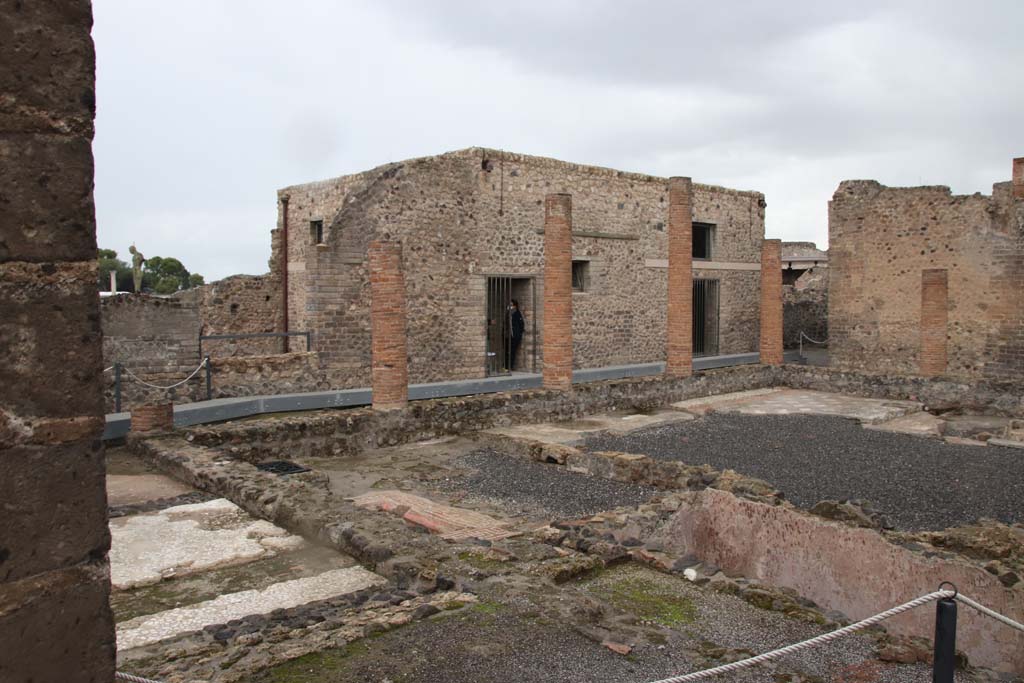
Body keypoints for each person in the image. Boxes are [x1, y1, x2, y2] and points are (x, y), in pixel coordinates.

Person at [508, 299, 525, 371]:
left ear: (515, 306)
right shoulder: (508, 313)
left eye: (511, 305)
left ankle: (510, 366)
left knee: (512, 351)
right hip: (508, 335)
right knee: (508, 351)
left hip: (515, 336)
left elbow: (521, 324)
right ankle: (506, 366)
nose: (509, 306)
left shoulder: (517, 313)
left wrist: (518, 333)